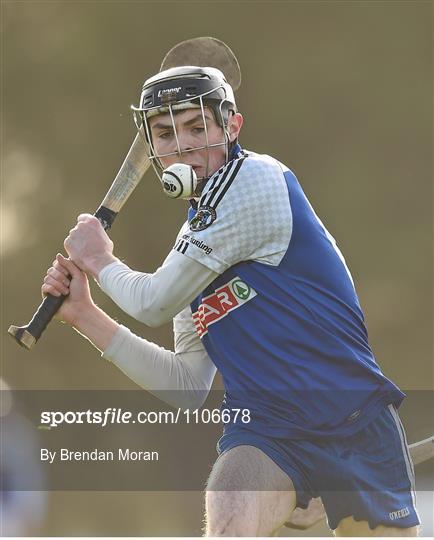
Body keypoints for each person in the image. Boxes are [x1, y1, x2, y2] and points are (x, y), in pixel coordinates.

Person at [42, 65, 420, 536]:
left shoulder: (257, 181)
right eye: (164, 133)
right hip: (266, 434)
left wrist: (99, 260)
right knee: (227, 516)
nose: (181, 145)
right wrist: (83, 315)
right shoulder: (192, 248)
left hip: (355, 423)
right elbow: (186, 385)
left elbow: (153, 303)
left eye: (197, 127)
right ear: (152, 148)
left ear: (232, 126)